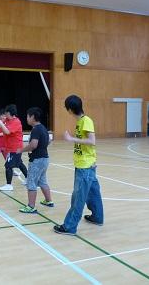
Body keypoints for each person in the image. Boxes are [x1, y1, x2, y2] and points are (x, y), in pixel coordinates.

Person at [54, 95, 104, 235]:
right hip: (88, 164)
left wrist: (71, 139)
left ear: (70, 109)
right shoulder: (81, 121)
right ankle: (97, 217)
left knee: (78, 197)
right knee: (93, 193)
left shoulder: (86, 121)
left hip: (85, 166)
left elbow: (92, 141)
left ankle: (69, 226)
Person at [18, 107, 54, 213]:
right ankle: (49, 201)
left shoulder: (36, 129)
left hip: (37, 160)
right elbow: (49, 141)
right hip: (45, 159)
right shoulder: (43, 128)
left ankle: (31, 206)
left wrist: (21, 150)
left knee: (31, 182)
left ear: (33, 117)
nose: (27, 118)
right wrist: (42, 148)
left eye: (28, 116)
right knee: (42, 181)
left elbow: (33, 145)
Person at [0, 104, 28, 191]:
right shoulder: (8, 120)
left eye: (6, 113)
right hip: (11, 147)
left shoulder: (16, 121)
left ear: (10, 113)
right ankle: (28, 179)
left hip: (15, 148)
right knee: (19, 163)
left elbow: (7, 131)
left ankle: (9, 185)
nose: (5, 115)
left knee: (8, 166)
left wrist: (1, 124)